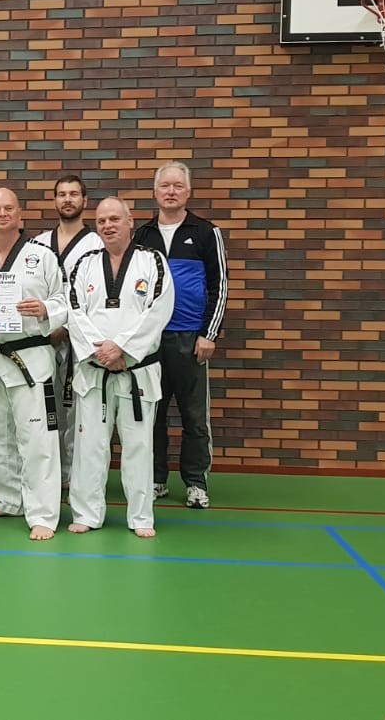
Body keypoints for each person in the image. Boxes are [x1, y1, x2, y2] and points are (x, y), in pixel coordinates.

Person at [65, 197, 173, 537]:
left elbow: (159, 309)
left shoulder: (152, 261)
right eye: (101, 221)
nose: (107, 225)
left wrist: (123, 348)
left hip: (136, 371)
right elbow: (73, 310)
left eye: (114, 219)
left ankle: (141, 516)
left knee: (138, 446)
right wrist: (101, 351)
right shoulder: (84, 264)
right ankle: (86, 513)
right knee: (90, 447)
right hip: (94, 370)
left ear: (130, 222)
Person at [0, 188, 68, 540]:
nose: (2, 214)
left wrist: (45, 309)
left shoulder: (42, 257)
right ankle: (8, 499)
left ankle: (42, 513)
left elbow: (65, 301)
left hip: (31, 359)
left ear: (19, 214)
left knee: (37, 438)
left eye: (8, 208)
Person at [133, 161, 227, 510]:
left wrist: (209, 334)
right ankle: (156, 478)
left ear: (188, 191)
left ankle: (196, 482)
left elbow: (220, 285)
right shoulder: (142, 236)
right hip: (151, 341)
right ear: (155, 192)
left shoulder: (205, 232)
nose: (170, 192)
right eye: (165, 186)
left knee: (194, 417)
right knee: (152, 414)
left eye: (177, 186)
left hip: (190, 339)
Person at [31, 175, 100, 481]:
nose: (68, 199)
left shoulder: (96, 243)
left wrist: (67, 326)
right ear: (54, 200)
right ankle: (49, 473)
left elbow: (95, 295)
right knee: (45, 405)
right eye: (62, 194)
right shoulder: (38, 243)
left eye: (74, 194)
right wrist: (48, 325)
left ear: (84, 200)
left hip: (79, 339)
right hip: (43, 336)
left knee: (76, 408)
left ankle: (73, 474)